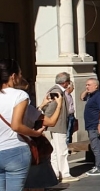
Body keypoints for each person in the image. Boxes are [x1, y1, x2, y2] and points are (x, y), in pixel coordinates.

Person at [0, 58, 46, 191]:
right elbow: (16, 125)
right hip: (15, 149)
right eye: (20, 74)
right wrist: (35, 133)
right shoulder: (20, 95)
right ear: (13, 76)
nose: (21, 77)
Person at [22, 78, 64, 191]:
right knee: (36, 182)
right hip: (29, 147)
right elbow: (51, 122)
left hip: (9, 149)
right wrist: (59, 105)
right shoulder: (27, 108)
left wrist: (42, 105)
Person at [44, 72, 79, 183]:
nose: (69, 84)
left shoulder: (56, 91)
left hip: (56, 124)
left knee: (55, 150)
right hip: (58, 125)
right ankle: (64, 174)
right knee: (62, 150)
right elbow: (49, 108)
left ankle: (56, 172)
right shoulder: (57, 92)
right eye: (68, 82)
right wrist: (48, 121)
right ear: (65, 82)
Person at [80, 78, 100, 176]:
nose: (87, 86)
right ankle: (98, 165)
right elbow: (82, 98)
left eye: (89, 85)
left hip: (95, 125)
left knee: (96, 147)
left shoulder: (99, 96)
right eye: (86, 85)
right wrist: (86, 91)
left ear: (96, 86)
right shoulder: (91, 95)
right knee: (94, 146)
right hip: (90, 125)